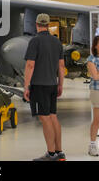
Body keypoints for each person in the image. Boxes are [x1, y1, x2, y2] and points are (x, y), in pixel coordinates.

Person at [24, 13, 66, 161]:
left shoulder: (34, 41)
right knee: (53, 116)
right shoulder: (57, 42)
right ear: (48, 25)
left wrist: (26, 86)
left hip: (39, 85)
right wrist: (60, 84)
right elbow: (61, 66)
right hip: (52, 85)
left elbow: (30, 65)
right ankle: (59, 151)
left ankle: (51, 153)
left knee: (45, 118)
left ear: (36, 25)